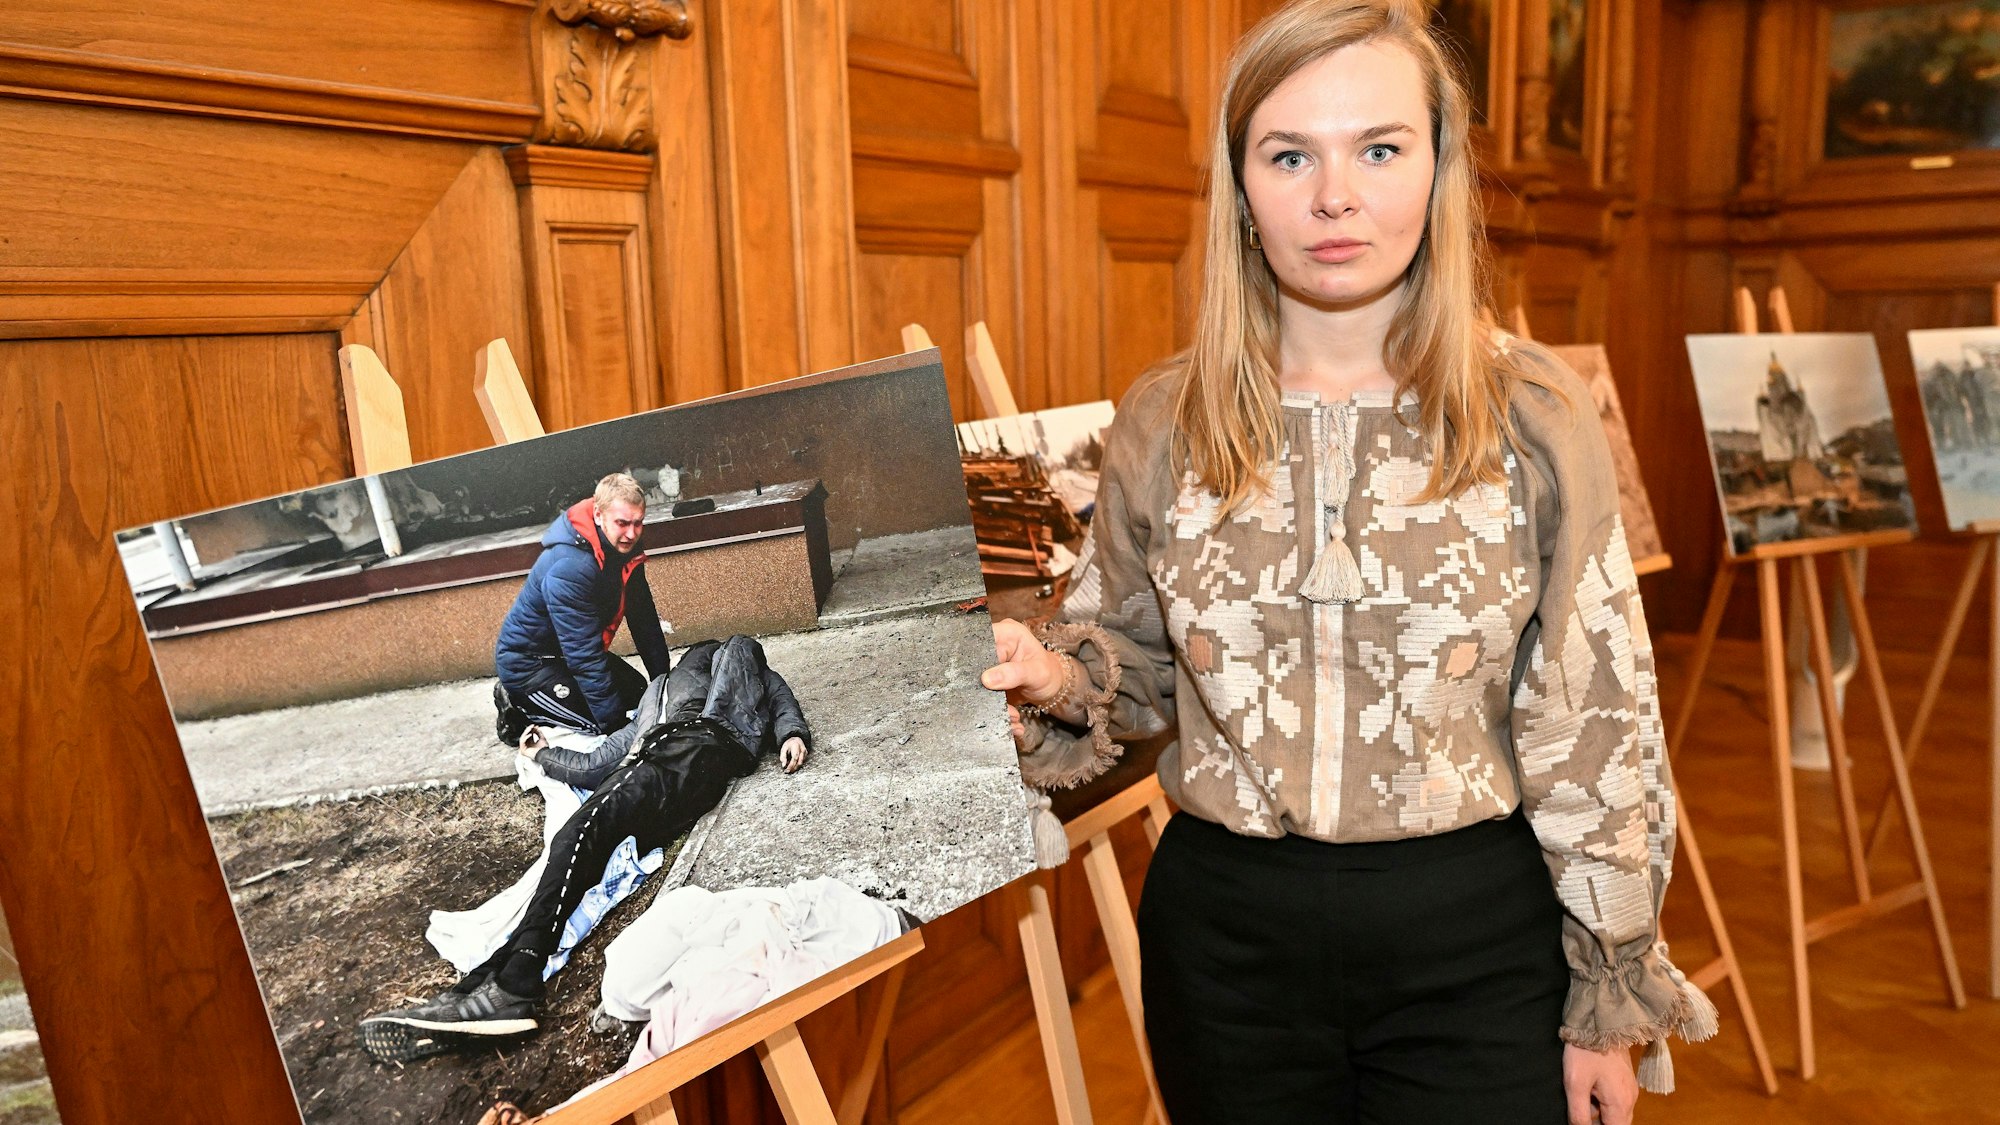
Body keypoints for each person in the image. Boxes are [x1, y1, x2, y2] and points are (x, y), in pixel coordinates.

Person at [980, 3, 1710, 1124]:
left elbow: (1593, 715)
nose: (1334, 196)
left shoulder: (1529, 419)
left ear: (1436, 165)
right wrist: (1053, 678)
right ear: (1240, 185)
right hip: (1226, 950)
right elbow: (1130, 661)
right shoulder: (1165, 420)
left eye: (1378, 148)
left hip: (1476, 939)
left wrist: (1602, 987)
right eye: (1289, 155)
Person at [360, 636, 811, 1064]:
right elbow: (600, 761)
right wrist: (542, 756)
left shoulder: (737, 656)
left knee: (580, 835)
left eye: (695, 653)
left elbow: (778, 693)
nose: (689, 657)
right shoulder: (656, 695)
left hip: (699, 748)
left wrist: (792, 733)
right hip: (652, 764)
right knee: (580, 844)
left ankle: (513, 985)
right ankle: (487, 983)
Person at [492, 473, 674, 743]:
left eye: (638, 523)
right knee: (600, 727)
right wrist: (616, 729)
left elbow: (643, 619)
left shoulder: (625, 546)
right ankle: (519, 705)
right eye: (622, 523)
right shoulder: (571, 566)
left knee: (638, 694)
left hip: (566, 653)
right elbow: (584, 656)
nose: (632, 534)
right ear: (599, 515)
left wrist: (664, 685)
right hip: (530, 665)